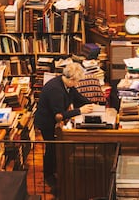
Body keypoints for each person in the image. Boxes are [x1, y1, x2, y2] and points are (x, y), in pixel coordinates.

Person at [33, 61, 94, 192]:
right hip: (47, 122)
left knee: (55, 147)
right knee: (51, 148)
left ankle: (56, 169)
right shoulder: (56, 90)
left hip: (53, 121)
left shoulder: (67, 85)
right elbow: (59, 115)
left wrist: (92, 105)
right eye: (77, 81)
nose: (77, 84)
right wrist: (80, 111)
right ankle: (49, 175)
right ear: (71, 79)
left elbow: (77, 97)